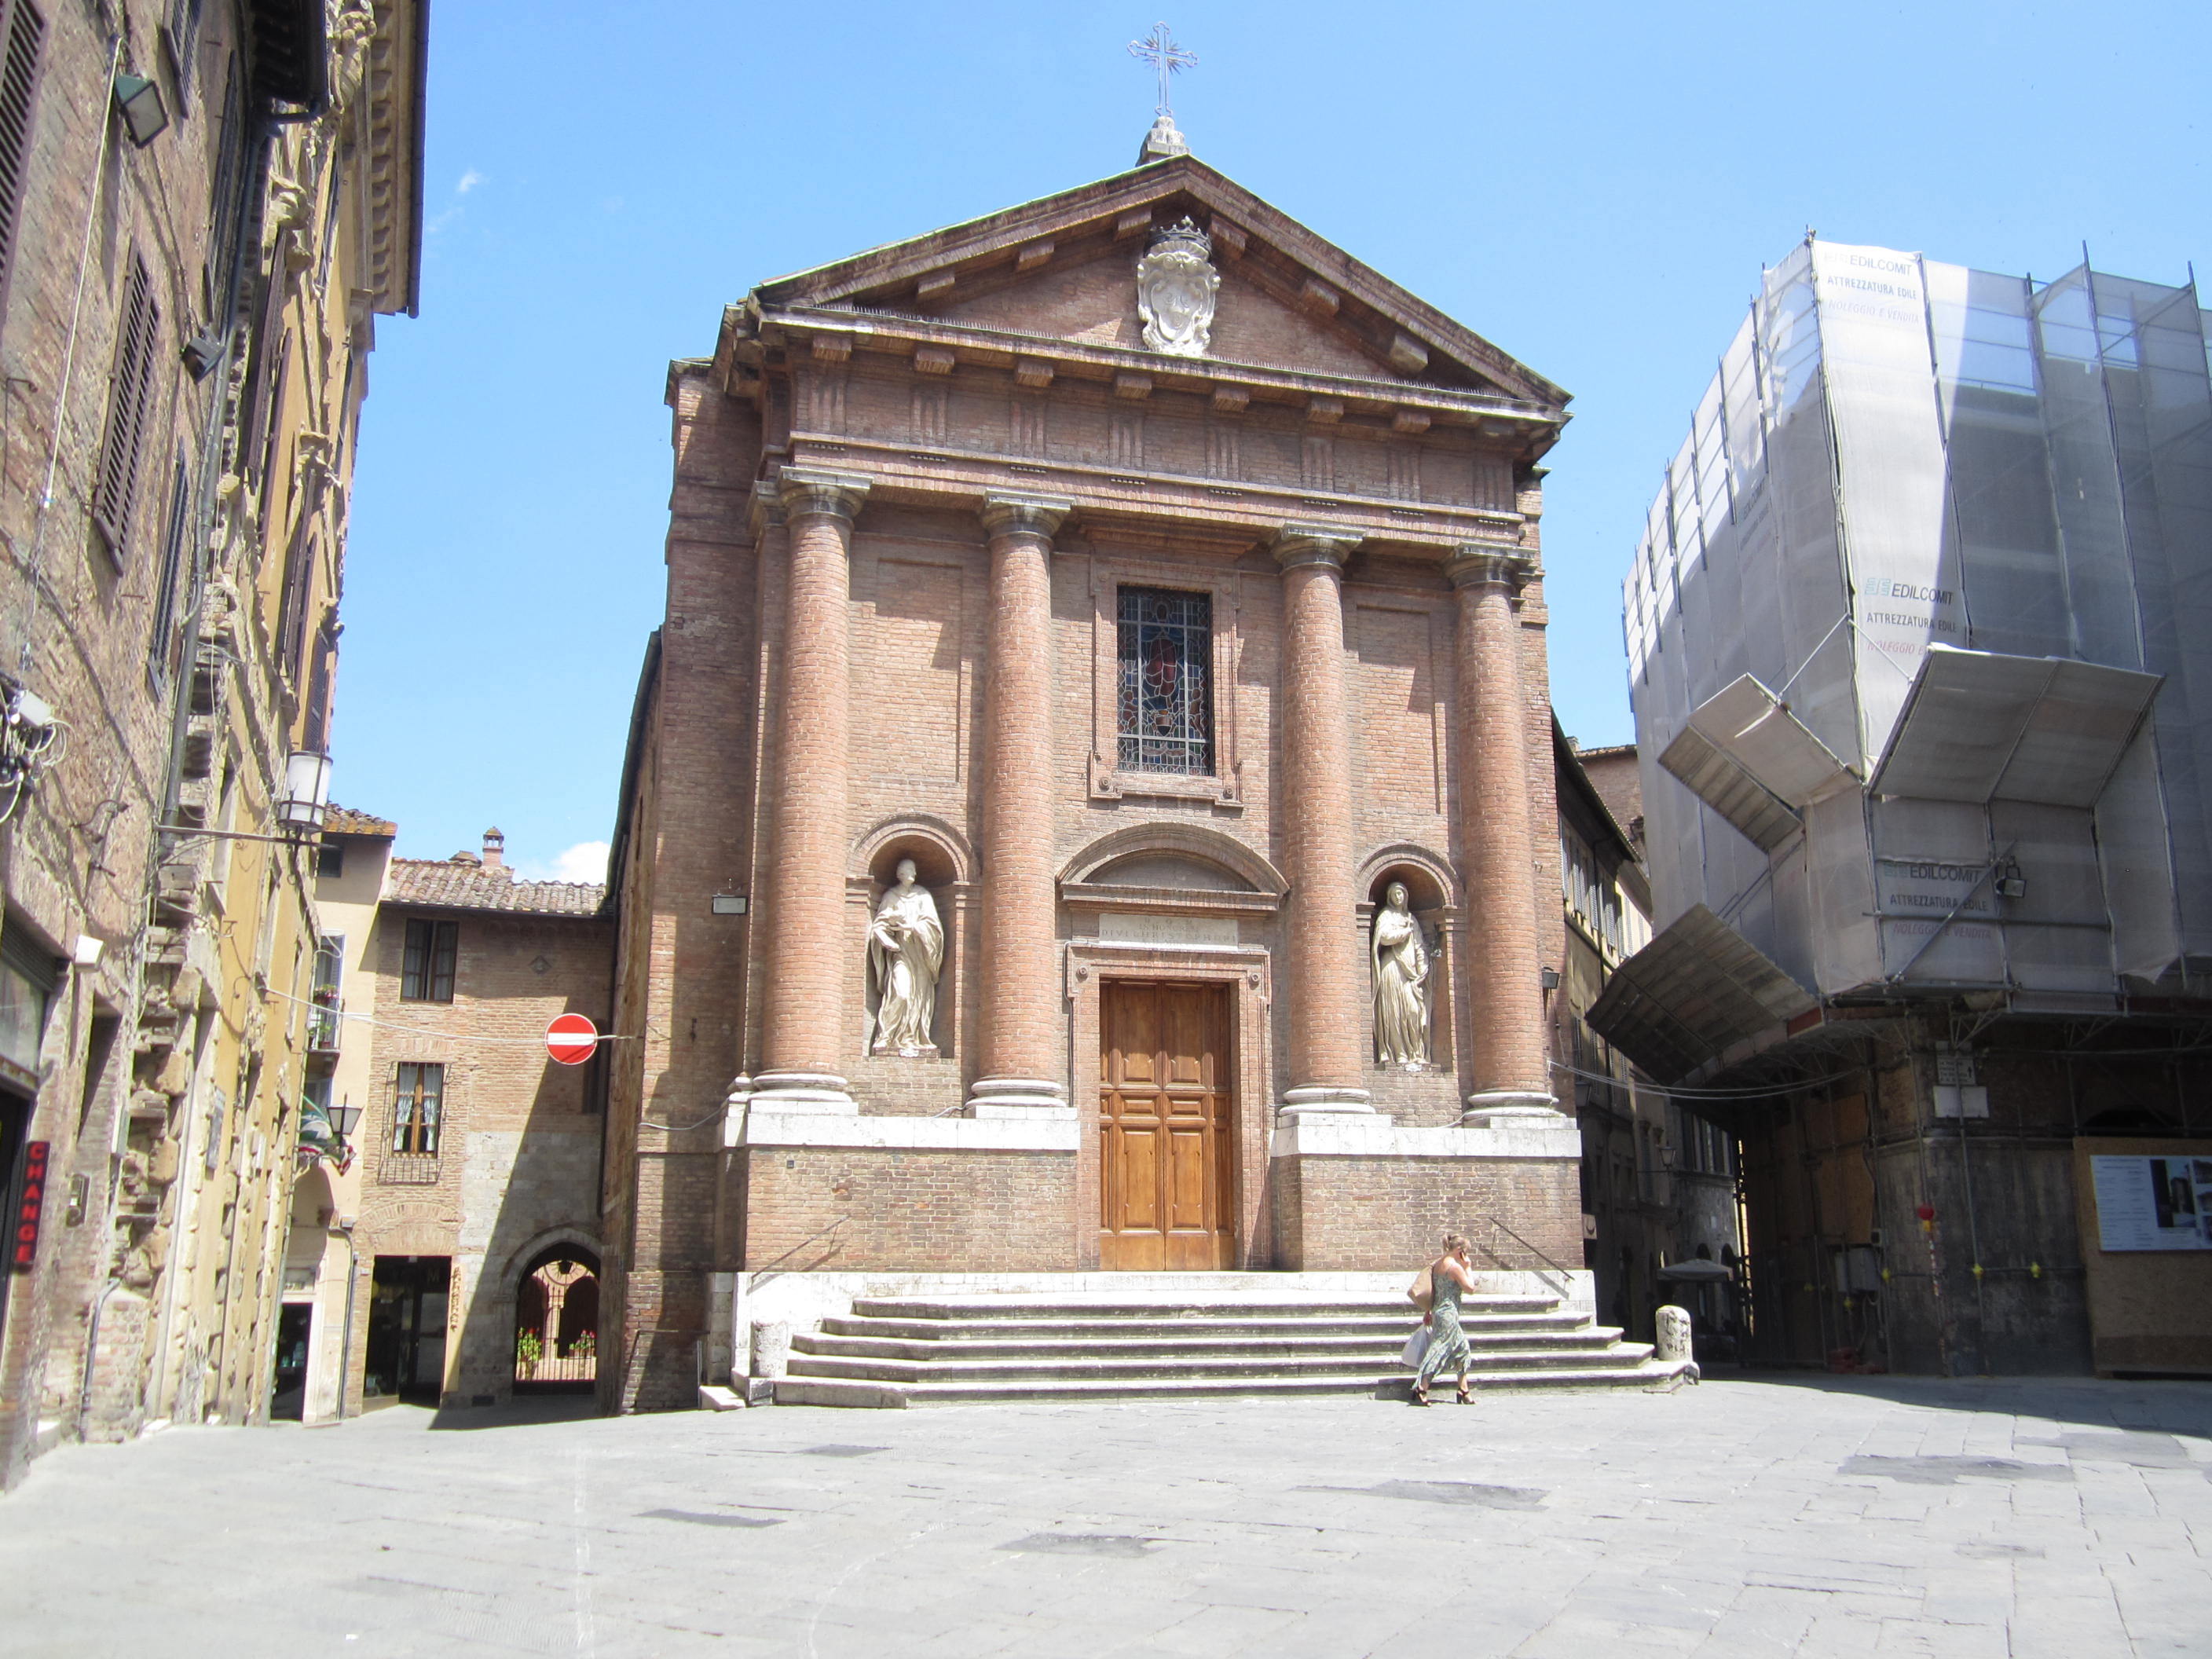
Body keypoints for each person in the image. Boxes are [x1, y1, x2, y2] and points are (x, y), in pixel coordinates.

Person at [866, 858, 944, 1056]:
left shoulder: (923, 896)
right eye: (904, 870)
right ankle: (887, 1037)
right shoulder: (891, 896)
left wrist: (912, 926)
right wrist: (887, 940)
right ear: (898, 874)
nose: (908, 872)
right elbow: (879, 924)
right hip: (901, 954)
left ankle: (912, 1037)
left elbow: (934, 926)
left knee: (918, 998)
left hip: (921, 955)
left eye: (911, 869)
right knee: (901, 993)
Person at [1412, 1233, 1478, 1405]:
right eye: (1465, 1251)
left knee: (1463, 1349)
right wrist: (1468, 1267)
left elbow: (1434, 1290)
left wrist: (1428, 1310)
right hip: (1448, 1314)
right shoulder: (1455, 1267)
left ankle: (1463, 1390)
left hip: (1438, 1311)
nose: (1467, 1255)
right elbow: (1470, 1288)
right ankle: (1421, 1387)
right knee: (1439, 1349)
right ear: (1459, 1250)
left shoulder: (1438, 1264)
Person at [1372, 881, 1431, 1068]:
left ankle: (1416, 1052)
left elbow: (1420, 946)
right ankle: (1399, 1054)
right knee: (1393, 1011)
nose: (1399, 897)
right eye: (1395, 894)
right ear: (1390, 897)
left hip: (1411, 972)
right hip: (1391, 966)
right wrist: (1404, 932)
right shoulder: (1386, 915)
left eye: (1401, 894)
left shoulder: (1412, 918)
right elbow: (1383, 938)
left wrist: (1423, 969)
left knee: (1413, 1010)